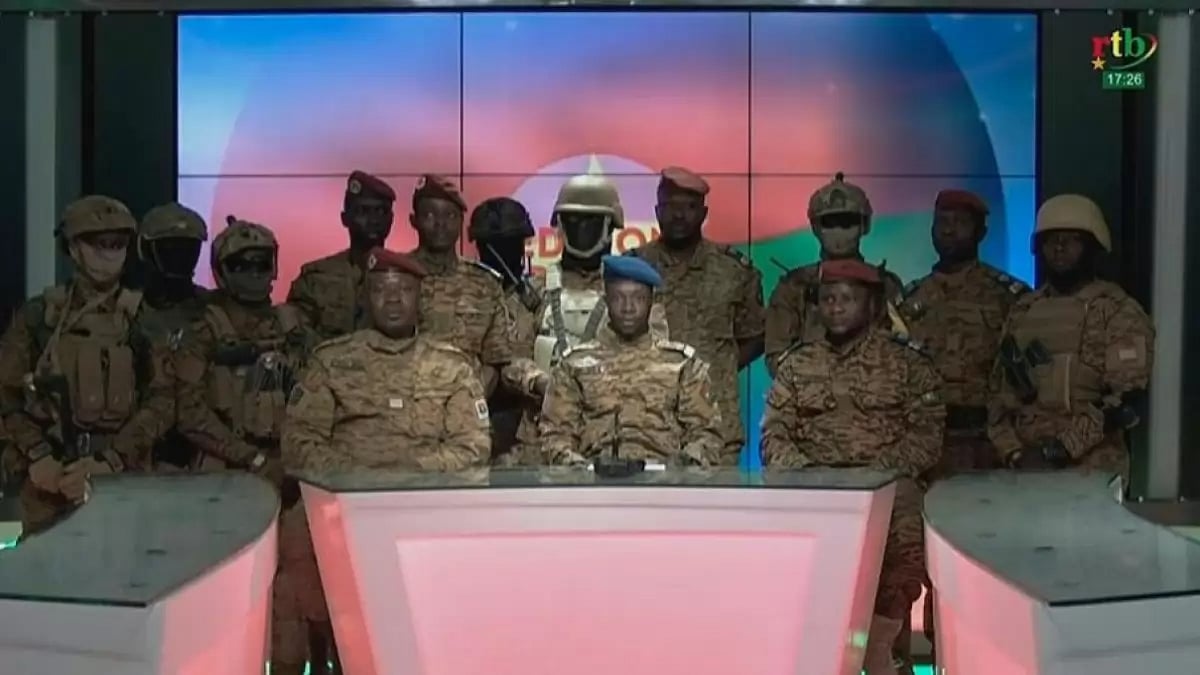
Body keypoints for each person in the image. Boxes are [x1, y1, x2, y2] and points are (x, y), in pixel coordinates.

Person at [760, 258, 944, 675]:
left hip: (885, 487)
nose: (836, 307)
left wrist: (874, 477)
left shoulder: (906, 364)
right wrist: (813, 477)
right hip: (815, 489)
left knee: (905, 530)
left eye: (847, 299)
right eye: (828, 299)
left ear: (872, 305)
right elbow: (774, 434)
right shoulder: (798, 365)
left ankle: (881, 648)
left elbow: (926, 435)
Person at [168, 216, 325, 674]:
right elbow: (189, 413)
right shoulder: (204, 331)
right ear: (221, 271)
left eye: (261, 263)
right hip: (227, 478)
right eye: (241, 265)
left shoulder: (294, 326)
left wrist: (296, 459)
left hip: (291, 477)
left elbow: (322, 394)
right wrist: (251, 458)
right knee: (224, 595)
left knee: (295, 597)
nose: (254, 274)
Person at [0, 196, 169, 536]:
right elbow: (7, 394)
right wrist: (39, 456)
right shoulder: (39, 316)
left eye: (117, 244)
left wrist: (111, 460)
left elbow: (163, 401)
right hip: (50, 480)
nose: (108, 254)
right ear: (73, 248)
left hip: (121, 479)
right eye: (97, 244)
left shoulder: (143, 319)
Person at [988, 194, 1154, 483]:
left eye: (1072, 240)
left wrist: (1060, 449)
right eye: (1050, 240)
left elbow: (1125, 402)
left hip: (1092, 467)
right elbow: (998, 397)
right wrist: (1013, 453)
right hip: (1025, 468)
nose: (1059, 248)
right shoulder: (1023, 311)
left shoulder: (1117, 311)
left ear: (1092, 246)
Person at [283, 247, 491, 473]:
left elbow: (473, 447)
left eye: (405, 289)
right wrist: (358, 476)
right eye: (380, 290)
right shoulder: (330, 362)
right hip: (347, 488)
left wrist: (414, 471)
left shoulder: (452, 367)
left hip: (426, 488)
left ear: (420, 298)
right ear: (365, 298)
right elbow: (299, 443)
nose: (393, 299)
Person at [624, 166, 765, 463]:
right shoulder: (633, 268)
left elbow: (755, 335)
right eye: (670, 206)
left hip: (716, 425)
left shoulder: (734, 271)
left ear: (704, 213)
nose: (679, 215)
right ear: (657, 211)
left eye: (688, 207)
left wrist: (719, 367)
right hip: (646, 425)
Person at [539, 255, 722, 466]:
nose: (628, 308)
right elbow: (555, 436)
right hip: (592, 480)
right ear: (606, 300)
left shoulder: (682, 365)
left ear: (652, 302)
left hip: (666, 481)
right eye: (618, 298)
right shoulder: (573, 365)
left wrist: (678, 470)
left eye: (639, 298)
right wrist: (580, 470)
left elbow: (706, 434)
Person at [900, 189, 1029, 475]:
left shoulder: (1006, 296)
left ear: (981, 232)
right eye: (942, 222)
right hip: (927, 442)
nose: (949, 230)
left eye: (960, 222)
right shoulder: (910, 300)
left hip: (991, 442)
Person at [764, 172, 903, 377]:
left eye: (847, 222)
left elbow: (904, 354)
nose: (838, 232)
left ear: (864, 226)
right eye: (829, 223)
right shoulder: (794, 287)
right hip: (811, 391)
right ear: (815, 228)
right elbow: (776, 359)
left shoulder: (884, 285)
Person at [406, 174, 514, 396]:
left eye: (450, 215)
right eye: (430, 215)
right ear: (413, 220)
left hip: (468, 405)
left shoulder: (485, 284)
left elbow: (495, 361)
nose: (440, 224)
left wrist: (468, 404)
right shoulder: (396, 277)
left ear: (461, 222)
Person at [126, 202, 211, 471]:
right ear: (146, 250)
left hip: (207, 450)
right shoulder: (129, 310)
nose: (181, 258)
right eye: (170, 249)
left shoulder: (215, 309)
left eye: (189, 249)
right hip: (140, 448)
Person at [467, 197, 544, 462]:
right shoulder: (464, 298)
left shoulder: (539, 295)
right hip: (475, 414)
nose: (512, 253)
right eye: (503, 246)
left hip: (530, 420)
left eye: (515, 244)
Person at [287, 170, 396, 341]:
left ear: (392, 219)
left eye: (381, 211)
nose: (374, 220)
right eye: (363, 211)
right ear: (345, 218)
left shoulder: (407, 276)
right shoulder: (315, 278)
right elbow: (296, 338)